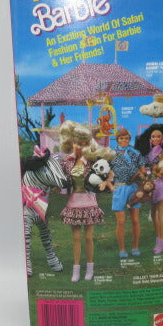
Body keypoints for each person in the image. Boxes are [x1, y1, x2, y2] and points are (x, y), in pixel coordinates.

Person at [59, 121, 115, 282]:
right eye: (76, 143)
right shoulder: (66, 161)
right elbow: (60, 179)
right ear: (71, 142)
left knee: (89, 237)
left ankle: (90, 267)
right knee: (76, 238)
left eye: (83, 144)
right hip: (73, 202)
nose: (79, 147)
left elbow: (110, 172)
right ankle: (76, 269)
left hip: (89, 202)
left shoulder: (92, 161)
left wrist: (106, 182)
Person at [135, 124, 163, 254]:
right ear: (150, 138)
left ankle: (161, 243)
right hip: (150, 183)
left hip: (161, 184)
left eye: (158, 136)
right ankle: (158, 239)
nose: (155, 139)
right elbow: (144, 166)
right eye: (153, 136)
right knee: (154, 214)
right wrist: (144, 173)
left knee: (160, 214)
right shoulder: (146, 152)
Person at [110, 128, 147, 258]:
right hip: (119, 188)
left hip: (133, 188)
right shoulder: (111, 154)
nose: (124, 141)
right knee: (121, 221)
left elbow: (143, 169)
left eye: (126, 138)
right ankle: (122, 249)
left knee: (135, 220)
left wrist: (142, 176)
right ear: (117, 139)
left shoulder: (135, 153)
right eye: (121, 138)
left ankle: (135, 247)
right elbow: (106, 171)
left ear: (129, 139)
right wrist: (110, 185)